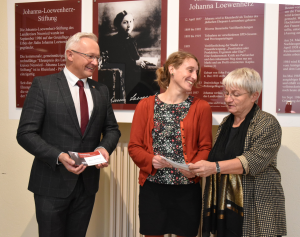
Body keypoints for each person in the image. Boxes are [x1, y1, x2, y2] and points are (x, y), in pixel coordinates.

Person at [17, 32, 121, 237]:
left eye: (98, 57)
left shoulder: (101, 90)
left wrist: (103, 148)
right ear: (70, 55)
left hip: (87, 185)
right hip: (51, 183)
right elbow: (26, 133)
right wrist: (59, 156)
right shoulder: (44, 85)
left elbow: (112, 129)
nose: (95, 62)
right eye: (90, 56)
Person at [189, 68, 287, 237]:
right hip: (225, 204)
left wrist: (213, 167)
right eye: (226, 93)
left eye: (235, 94)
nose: (228, 99)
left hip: (257, 204)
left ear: (254, 96)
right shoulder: (226, 123)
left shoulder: (267, 123)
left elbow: (252, 161)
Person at [128, 51, 212, 237]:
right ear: (172, 69)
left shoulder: (201, 107)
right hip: (153, 188)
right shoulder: (145, 105)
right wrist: (151, 160)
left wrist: (194, 168)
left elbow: (205, 146)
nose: (194, 77)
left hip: (187, 190)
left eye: (196, 72)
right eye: (190, 70)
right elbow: (134, 146)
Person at [100, 10, 155, 103]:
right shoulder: (115, 41)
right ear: (118, 25)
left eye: (130, 21)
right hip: (124, 77)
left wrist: (141, 61)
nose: (129, 25)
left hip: (134, 73)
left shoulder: (131, 39)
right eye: (125, 22)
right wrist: (135, 63)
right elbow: (116, 59)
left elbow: (135, 57)